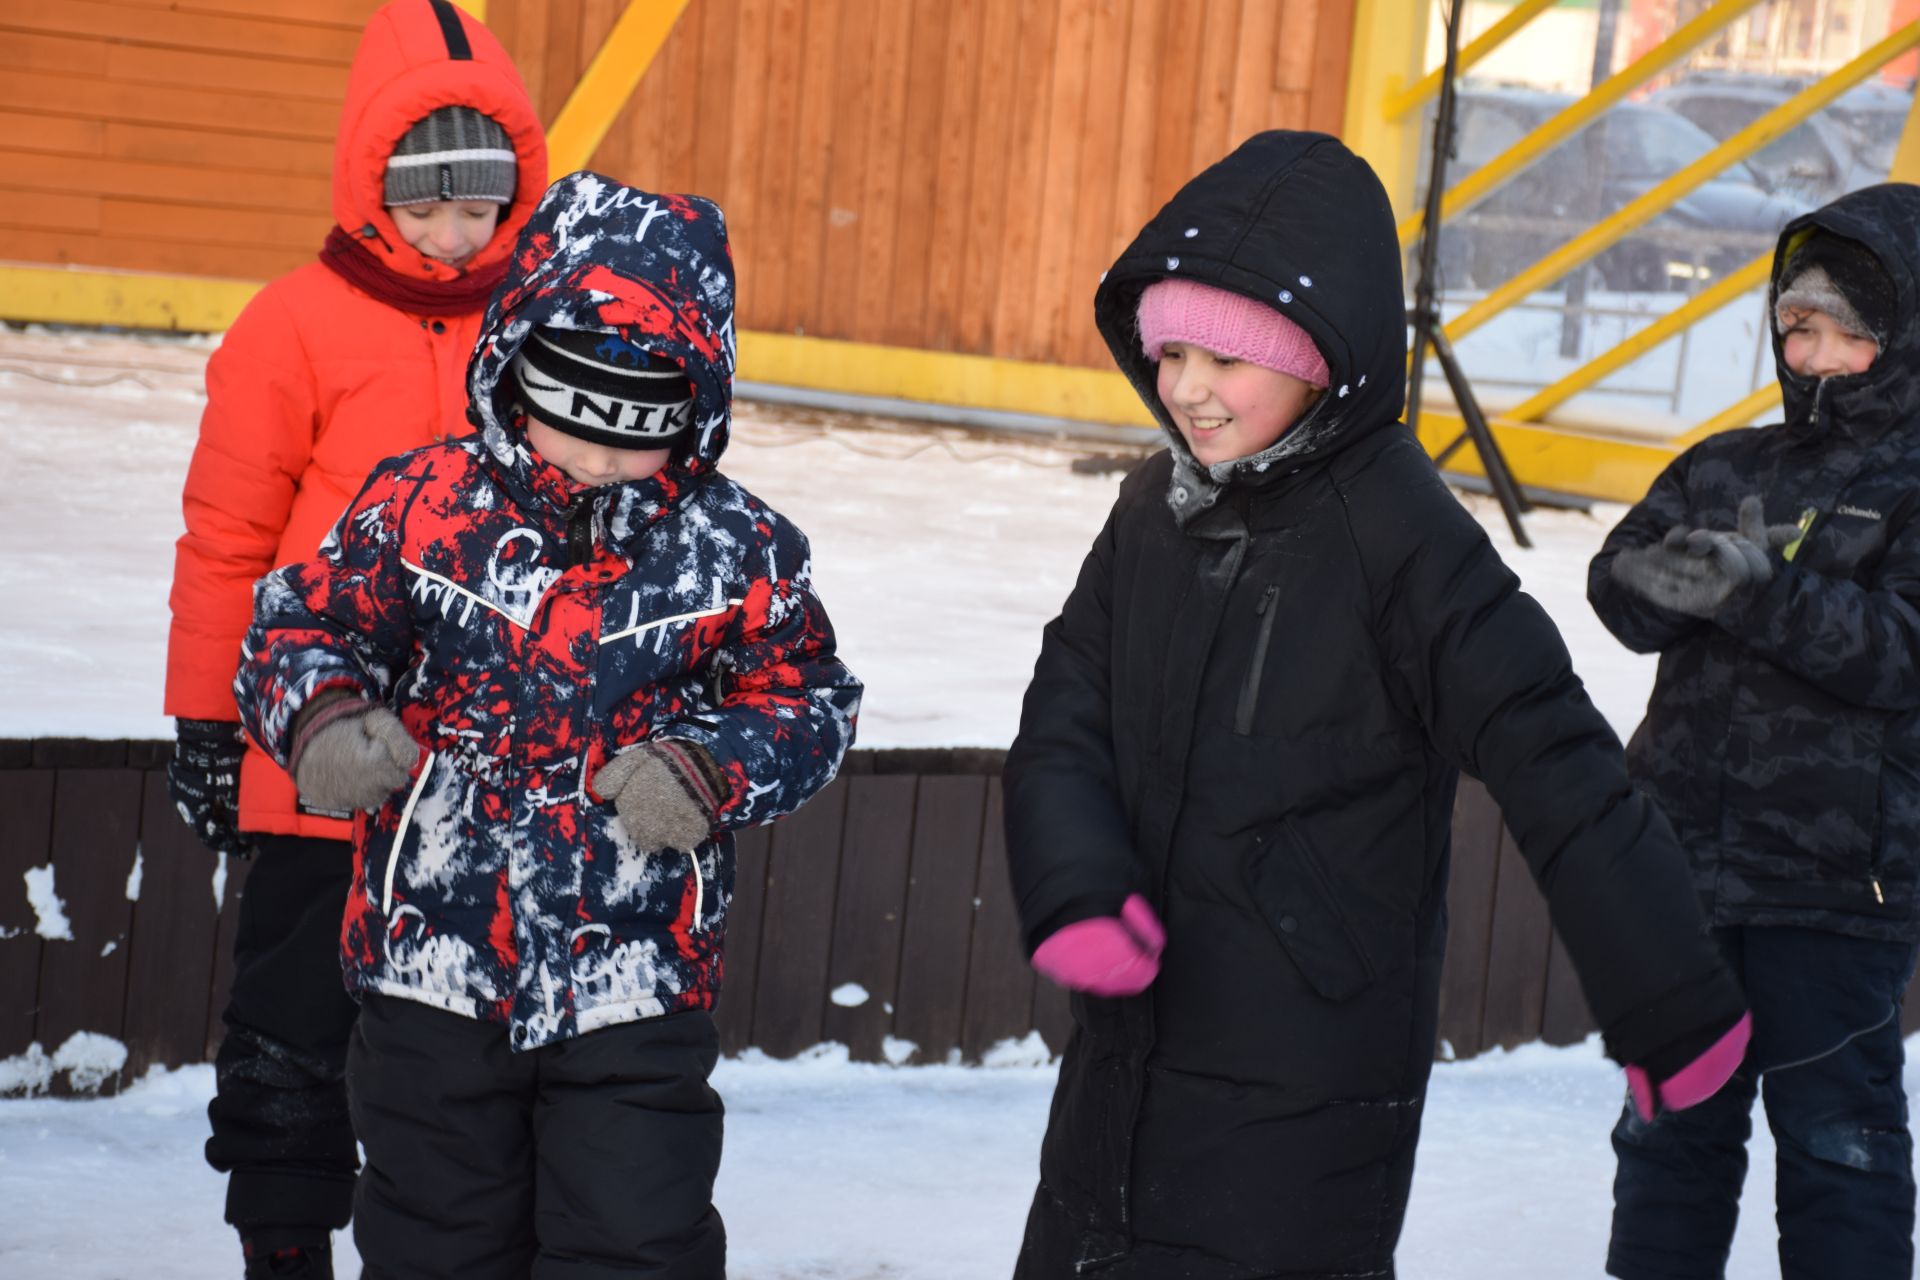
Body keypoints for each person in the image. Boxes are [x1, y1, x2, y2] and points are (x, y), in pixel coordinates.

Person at [1002, 129, 1751, 1278]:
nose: (1188, 390)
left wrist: (1674, 1003)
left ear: (1323, 357)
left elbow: (1560, 761)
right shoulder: (1158, 506)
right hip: (1122, 1058)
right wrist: (1077, 881)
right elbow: (1067, 703)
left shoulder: (1403, 538)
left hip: (1307, 1067)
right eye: (1170, 355)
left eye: (1226, 359)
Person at [231, 169, 860, 1279]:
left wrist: (709, 765)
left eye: (636, 435)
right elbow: (303, 620)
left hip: (636, 973)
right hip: (431, 961)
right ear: (513, 373)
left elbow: (806, 694)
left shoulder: (738, 548)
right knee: (437, 1240)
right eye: (568, 421)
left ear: (695, 409)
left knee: (635, 1239)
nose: (597, 460)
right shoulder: (425, 503)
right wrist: (324, 716)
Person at [161, 2, 547, 1274]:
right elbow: (228, 538)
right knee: (291, 1028)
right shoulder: (292, 325)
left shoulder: (535, 329)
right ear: (372, 186)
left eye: (479, 207)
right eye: (426, 205)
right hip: (311, 756)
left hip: (478, 773)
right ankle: (282, 1247)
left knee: (445, 1050)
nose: (453, 236)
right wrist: (211, 719)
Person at [1592, 184, 1920, 1280]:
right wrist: (1650, 580)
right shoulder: (1726, 462)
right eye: (1795, 326)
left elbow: (1901, 651)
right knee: (1666, 1131)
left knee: (1839, 1145)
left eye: (1841, 331)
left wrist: (1758, 593)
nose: (1811, 352)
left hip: (1837, 886)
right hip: (1681, 869)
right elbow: (1619, 587)